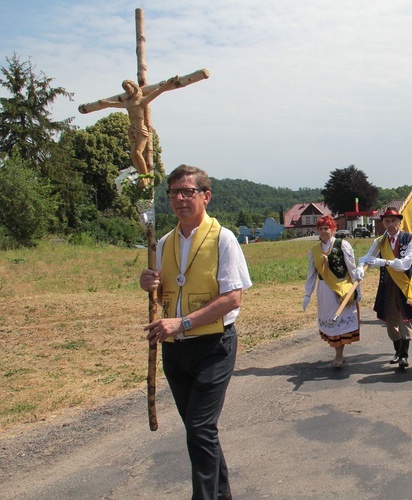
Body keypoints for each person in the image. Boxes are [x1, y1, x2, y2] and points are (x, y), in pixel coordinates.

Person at [140, 164, 252, 500]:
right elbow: (163, 295)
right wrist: (149, 286)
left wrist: (184, 322)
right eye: (174, 192)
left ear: (206, 196)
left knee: (200, 429)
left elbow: (232, 298)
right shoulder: (163, 243)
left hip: (213, 347)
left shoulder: (223, 239)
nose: (179, 198)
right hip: (175, 350)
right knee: (199, 431)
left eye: (187, 191)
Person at [358, 207, 412, 369]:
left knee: (404, 320)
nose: (391, 224)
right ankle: (398, 351)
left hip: (404, 284)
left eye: (393, 221)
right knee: (390, 321)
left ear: (400, 222)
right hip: (387, 285)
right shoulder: (379, 241)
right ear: (383, 223)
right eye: (387, 221)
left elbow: (405, 264)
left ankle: (404, 356)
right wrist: (361, 266)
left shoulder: (410, 239)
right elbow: (367, 258)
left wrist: (383, 262)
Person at [303, 216, 362, 368]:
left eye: (326, 228)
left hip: (341, 288)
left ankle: (339, 356)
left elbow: (352, 268)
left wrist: (357, 289)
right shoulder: (314, 250)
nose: (324, 231)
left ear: (333, 229)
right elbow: (312, 274)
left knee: (340, 322)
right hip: (324, 291)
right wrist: (307, 294)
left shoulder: (343, 245)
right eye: (321, 228)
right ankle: (338, 353)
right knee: (331, 322)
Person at [98, 76, 180, 185]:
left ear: (134, 87)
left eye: (129, 88)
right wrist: (104, 102)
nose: (128, 91)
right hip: (132, 130)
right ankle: (141, 175)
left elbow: (157, 91)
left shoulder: (141, 101)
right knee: (133, 155)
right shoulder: (128, 103)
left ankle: (145, 176)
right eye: (126, 89)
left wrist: (168, 84)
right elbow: (112, 105)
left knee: (137, 152)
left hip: (141, 129)